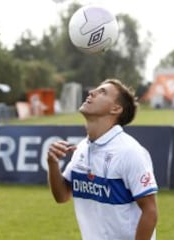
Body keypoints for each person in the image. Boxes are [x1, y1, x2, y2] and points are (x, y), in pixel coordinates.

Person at [47, 79, 158, 240]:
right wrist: (52, 163)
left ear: (116, 108)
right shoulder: (83, 148)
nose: (92, 92)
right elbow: (62, 196)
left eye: (102, 92)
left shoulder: (130, 151)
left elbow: (150, 211)